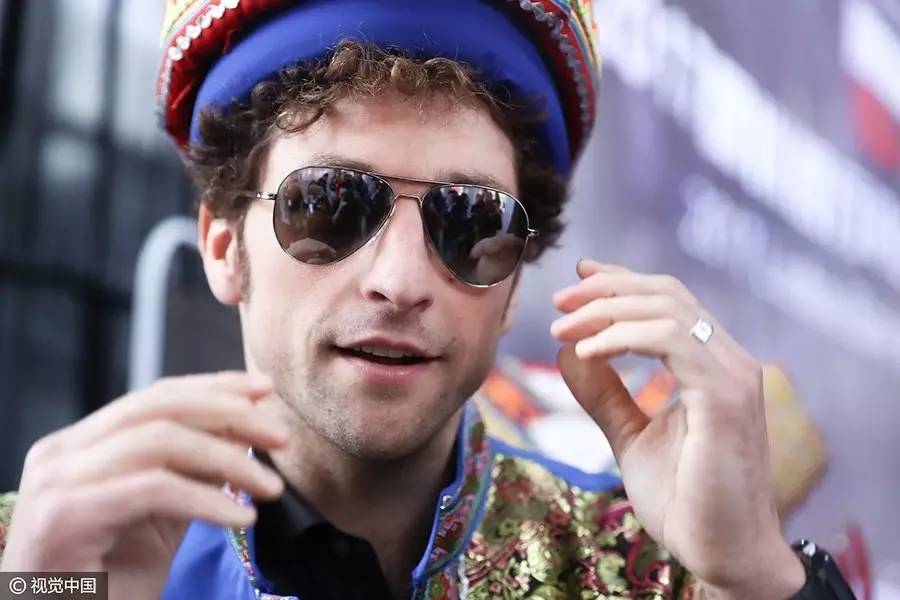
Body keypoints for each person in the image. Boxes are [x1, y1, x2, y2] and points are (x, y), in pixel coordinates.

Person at [0, 1, 854, 599]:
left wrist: (756, 574)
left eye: (471, 223)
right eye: (330, 205)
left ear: (512, 285)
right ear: (225, 247)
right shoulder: (47, 549)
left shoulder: (655, 573)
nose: (400, 280)